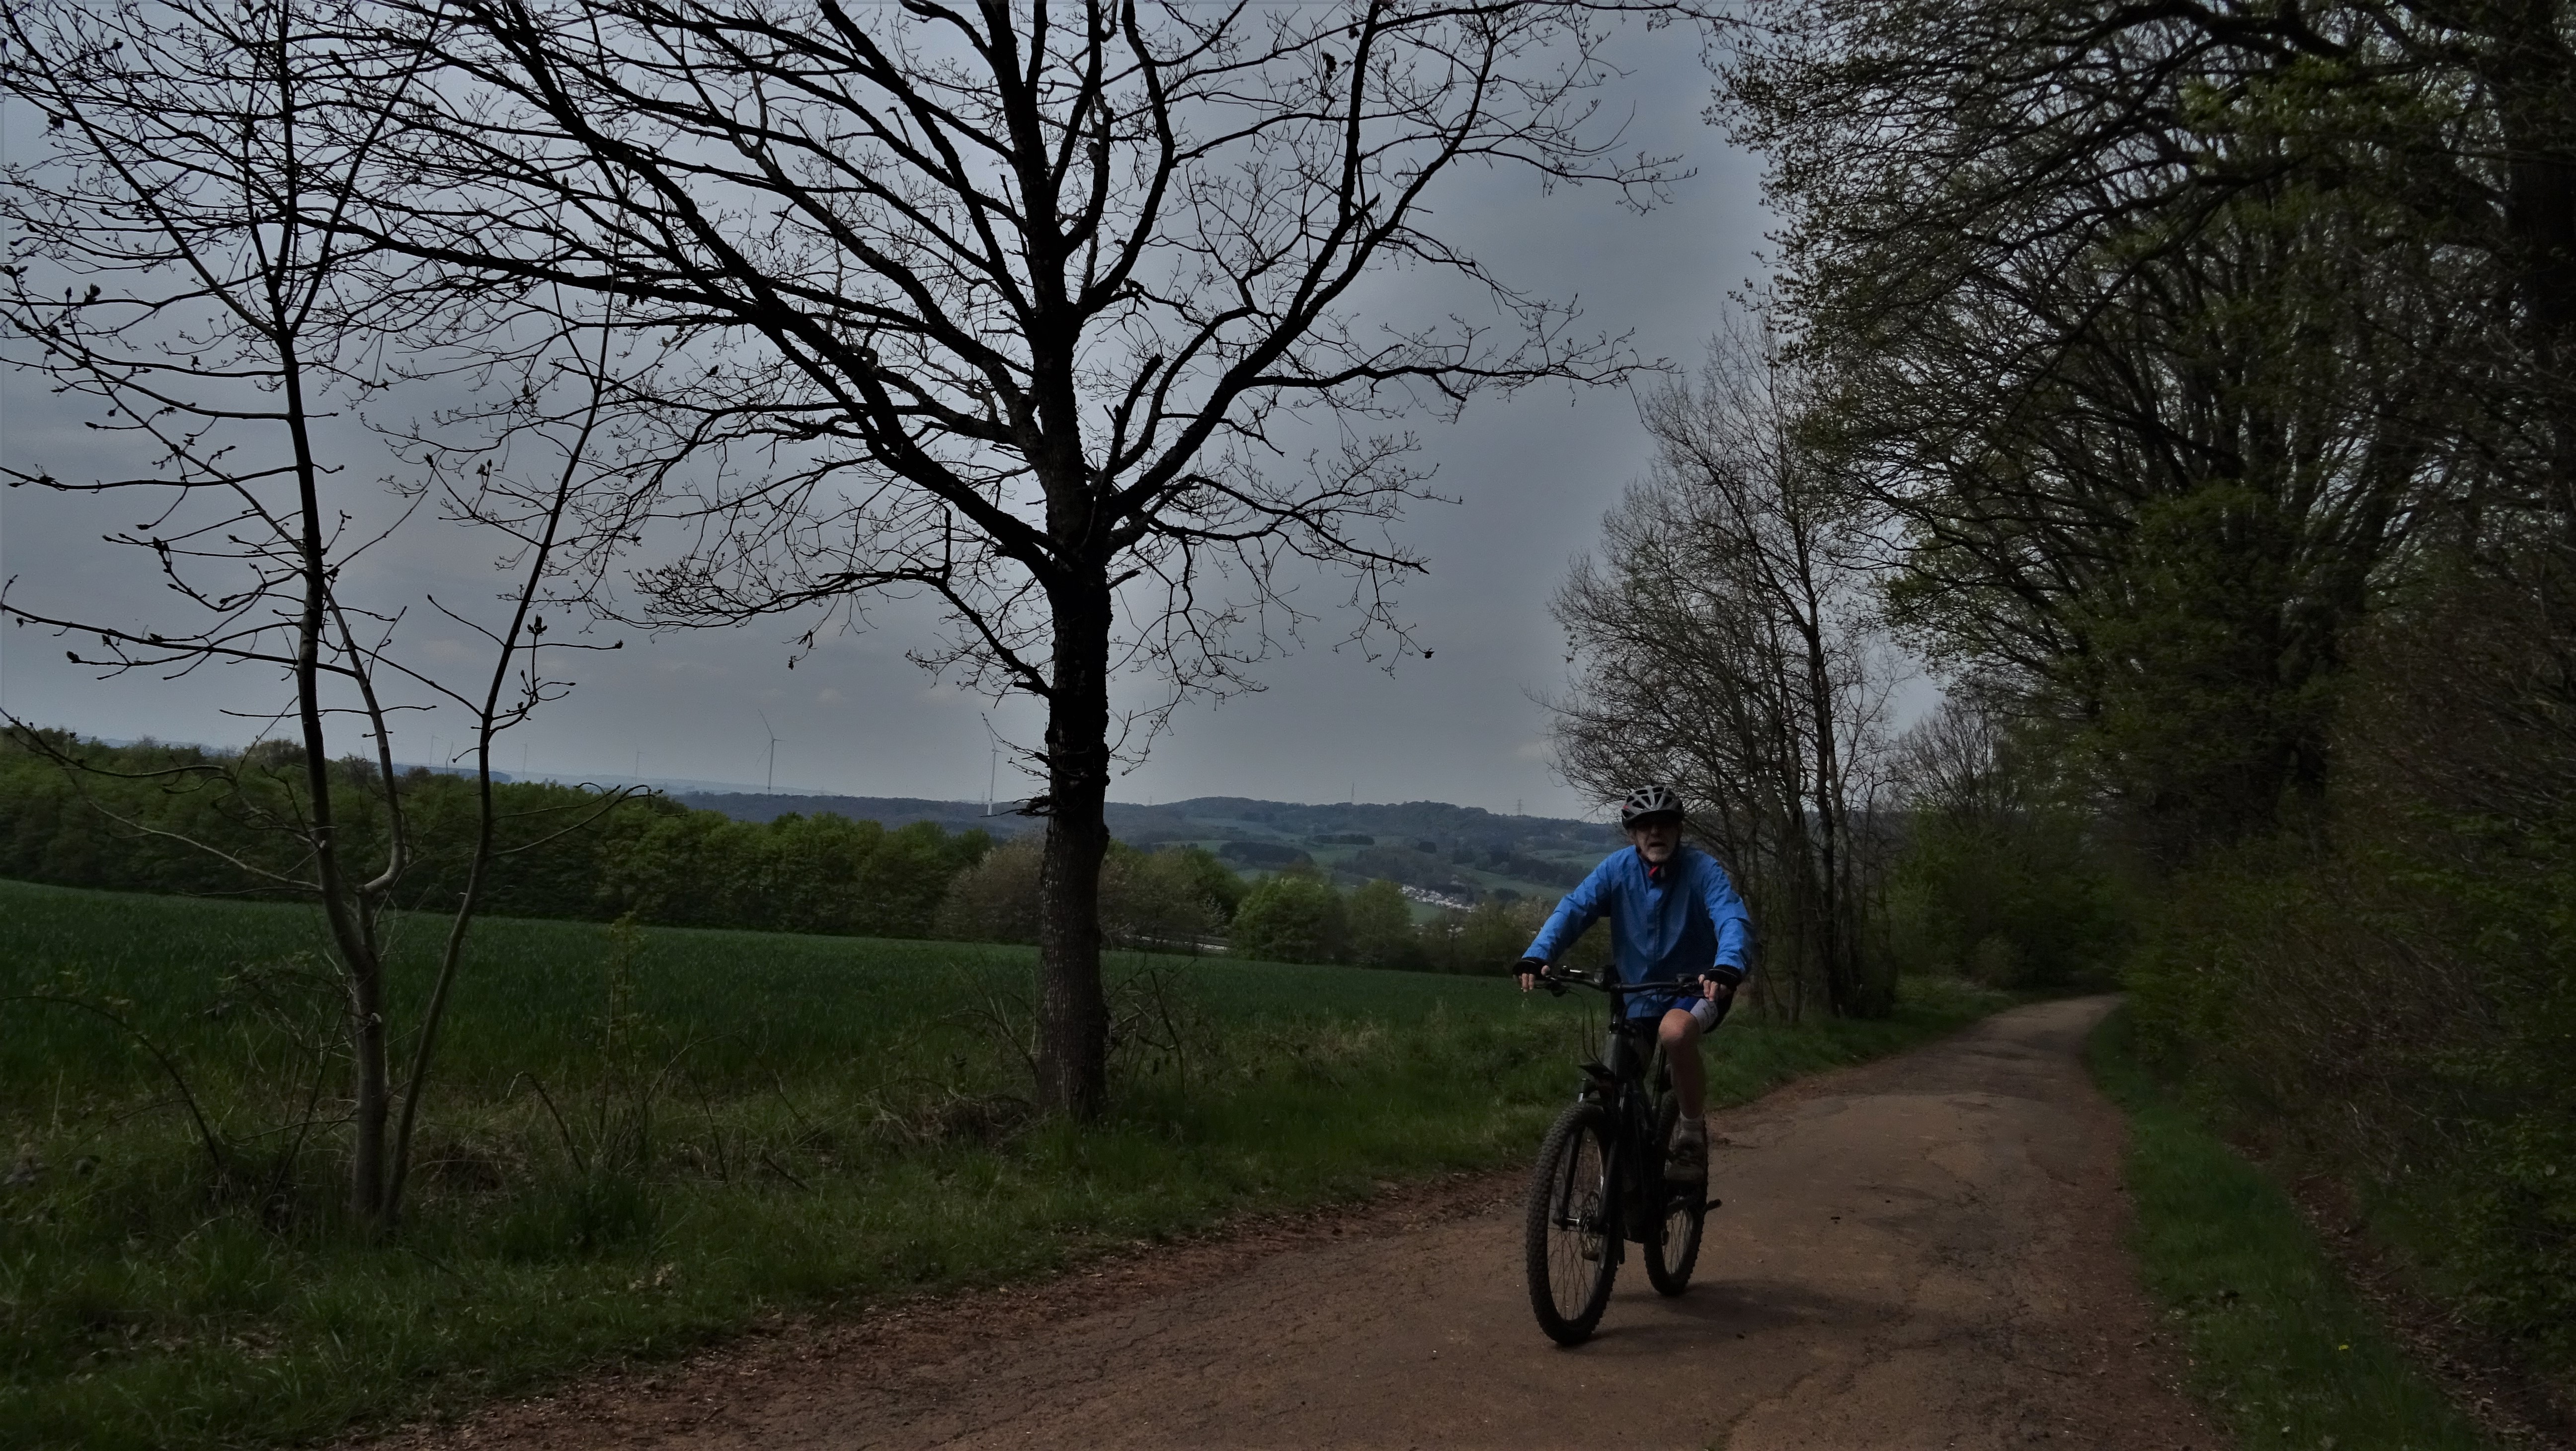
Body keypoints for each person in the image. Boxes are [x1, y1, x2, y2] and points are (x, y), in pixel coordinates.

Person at [1515, 784, 1752, 1183]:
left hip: (1700, 988)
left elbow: (1731, 917)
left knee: (1675, 1034)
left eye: (1664, 824)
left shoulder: (1702, 870)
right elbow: (1575, 908)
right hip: (1637, 995)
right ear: (1632, 834)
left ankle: (1691, 1136)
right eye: (1645, 826)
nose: (1655, 832)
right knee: (1613, 1082)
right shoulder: (1617, 869)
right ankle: (1620, 1189)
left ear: (1679, 830)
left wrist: (1727, 966)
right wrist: (1539, 954)